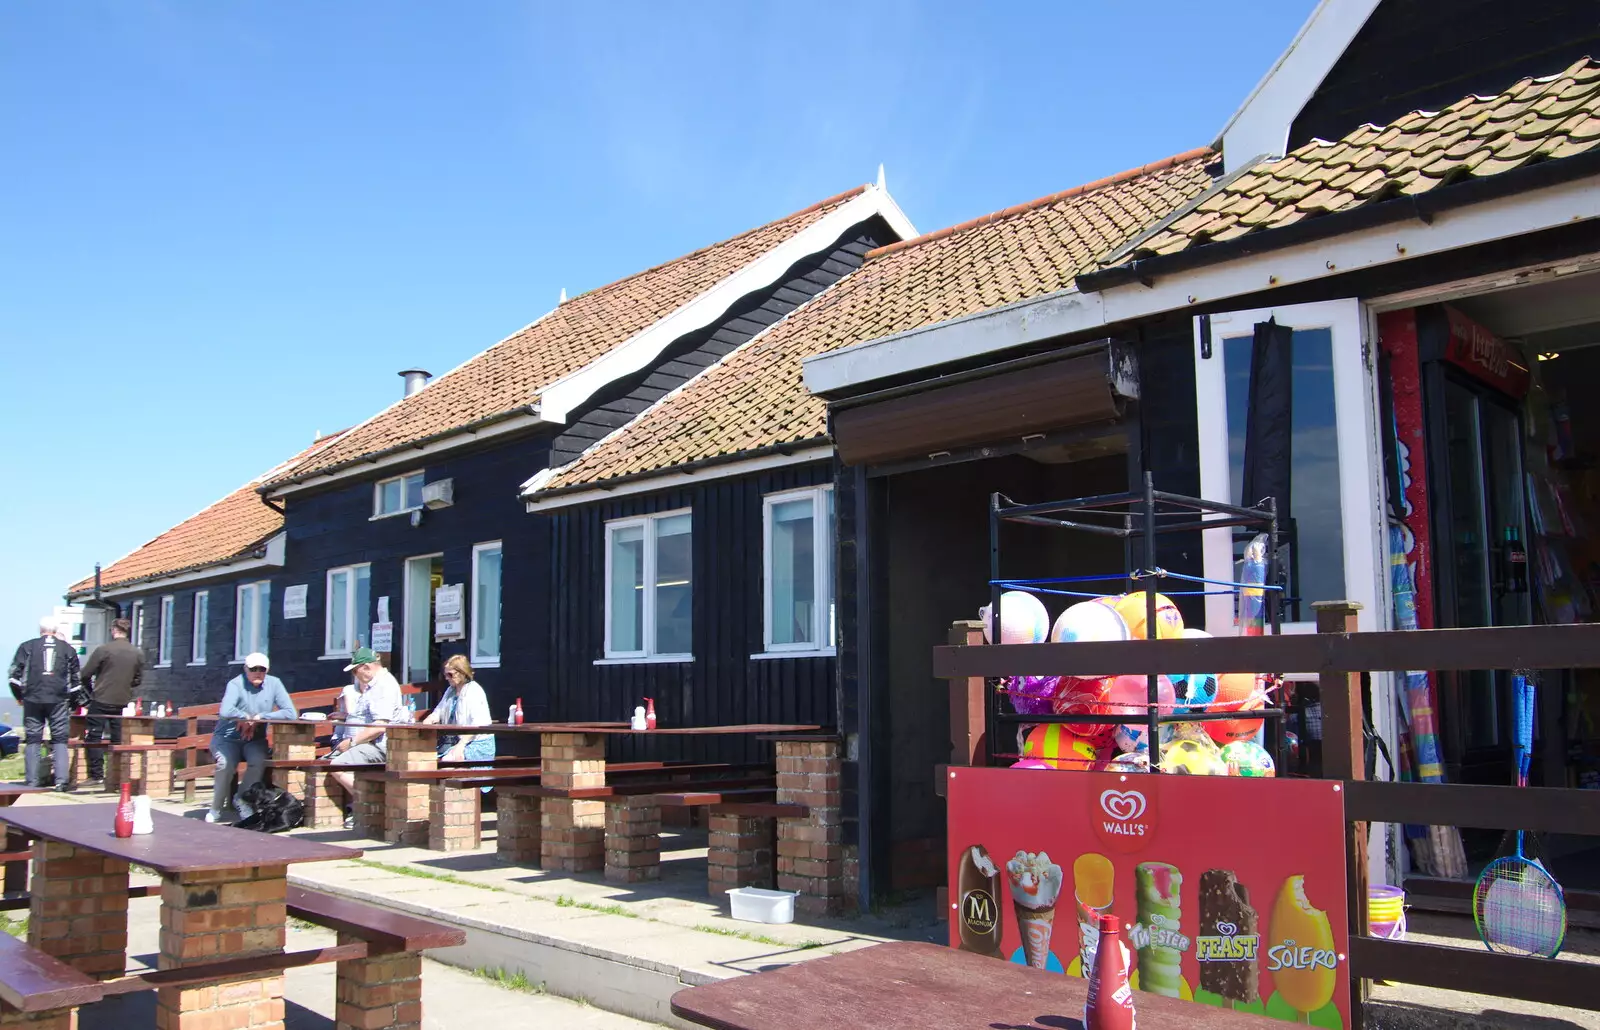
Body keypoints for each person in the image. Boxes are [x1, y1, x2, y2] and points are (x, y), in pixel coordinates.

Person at [209, 652, 296, 823]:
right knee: (225, 764)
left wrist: (261, 717)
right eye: (253, 669)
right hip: (228, 737)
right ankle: (216, 807)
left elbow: (290, 713)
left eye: (262, 669)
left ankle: (242, 799)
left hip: (255, 739)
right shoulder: (235, 684)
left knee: (259, 760)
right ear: (245, 669)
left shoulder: (274, 684)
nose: (257, 672)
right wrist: (245, 717)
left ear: (267, 670)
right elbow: (226, 711)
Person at [329, 647, 404, 829]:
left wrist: (352, 743)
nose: (355, 675)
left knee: (337, 766)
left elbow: (380, 726)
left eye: (356, 670)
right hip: (368, 744)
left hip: (380, 745)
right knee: (327, 762)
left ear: (367, 667)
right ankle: (361, 807)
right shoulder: (374, 685)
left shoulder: (384, 686)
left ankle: (370, 803)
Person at [8, 616, 81, 790]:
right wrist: (72, 703)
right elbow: (76, 682)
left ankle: (32, 780)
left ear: (40, 630)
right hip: (58, 699)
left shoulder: (27, 647)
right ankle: (61, 781)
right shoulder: (68, 649)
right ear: (55, 631)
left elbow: (13, 677)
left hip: (33, 698)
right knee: (60, 739)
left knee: (33, 738)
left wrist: (19, 696)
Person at [77, 618, 144, 783]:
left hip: (101, 698)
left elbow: (85, 674)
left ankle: (96, 774)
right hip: (122, 699)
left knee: (94, 736)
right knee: (117, 737)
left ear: (114, 630)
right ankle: (117, 774)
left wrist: (91, 691)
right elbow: (138, 679)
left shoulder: (104, 650)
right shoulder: (137, 653)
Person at [423, 655, 496, 764]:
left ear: (462, 673)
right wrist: (430, 719)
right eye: (445, 675)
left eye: (450, 674)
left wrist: (461, 745)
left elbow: (477, 725)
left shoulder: (474, 691)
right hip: (454, 741)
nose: (447, 678)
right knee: (427, 758)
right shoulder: (450, 691)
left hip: (477, 743)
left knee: (448, 761)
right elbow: (439, 710)